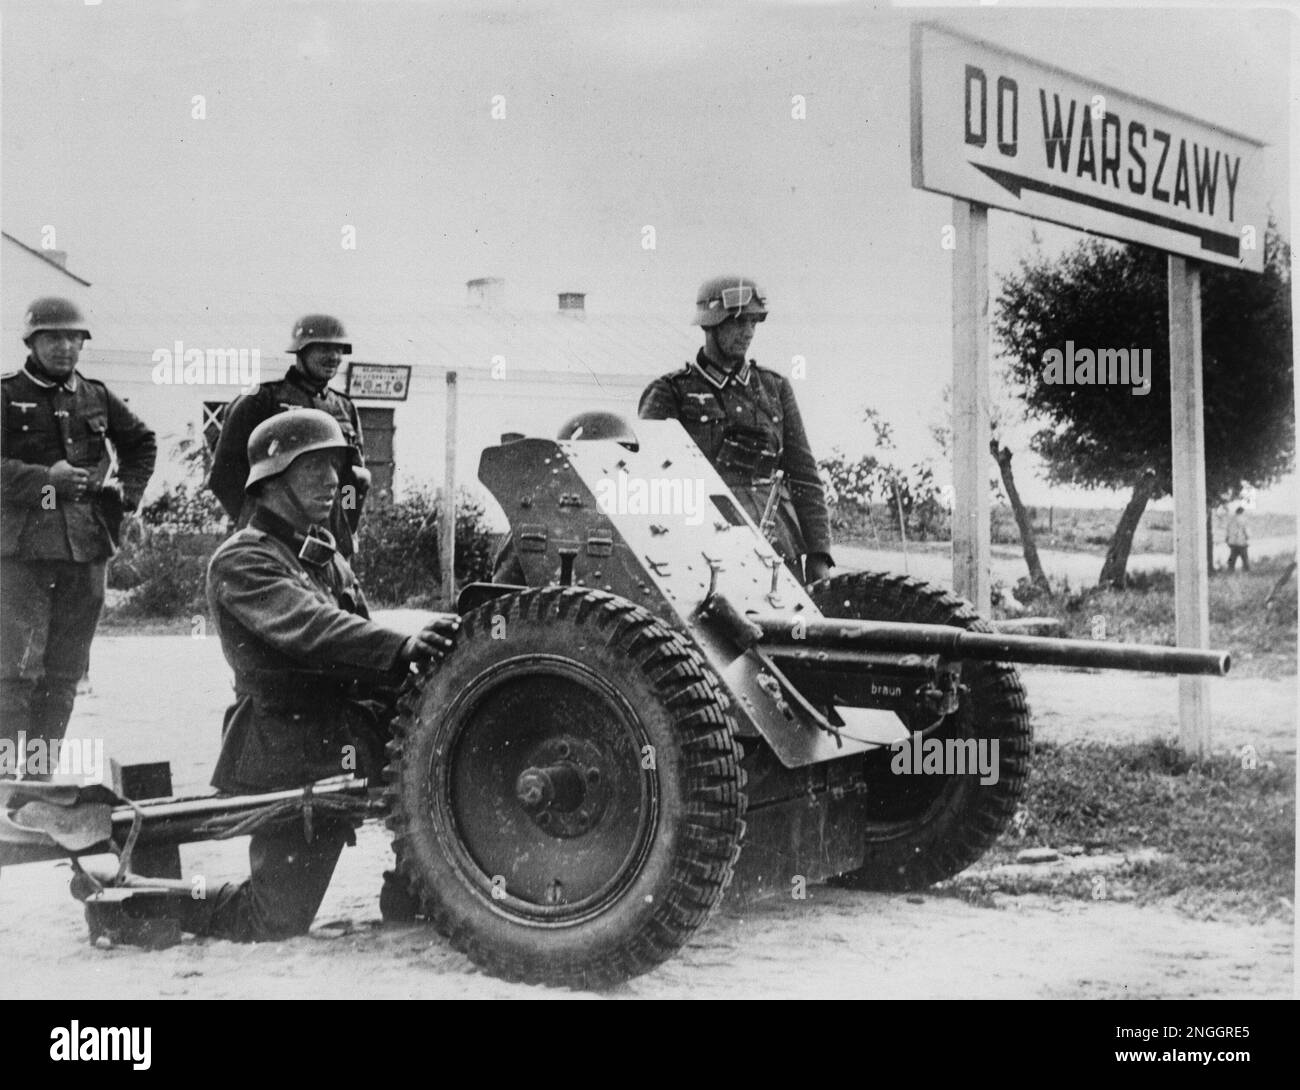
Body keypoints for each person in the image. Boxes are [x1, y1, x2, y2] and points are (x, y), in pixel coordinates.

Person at [96, 410, 458, 942]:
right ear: (271, 479)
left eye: (336, 469)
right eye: (314, 469)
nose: (333, 482)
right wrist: (402, 645)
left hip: (349, 734)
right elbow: (313, 629)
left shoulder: (321, 555)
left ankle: (414, 887)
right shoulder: (242, 559)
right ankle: (133, 909)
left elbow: (357, 639)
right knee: (274, 919)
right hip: (289, 749)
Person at [1, 298, 156, 778]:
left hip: (85, 549)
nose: (65, 347)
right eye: (53, 338)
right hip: (22, 552)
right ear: (31, 342)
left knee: (64, 673)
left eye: (74, 338)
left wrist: (126, 495)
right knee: (14, 672)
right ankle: (4, 779)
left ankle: (39, 778)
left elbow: (141, 442)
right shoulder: (6, 395)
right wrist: (47, 479)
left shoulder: (97, 395)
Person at [638, 275, 833, 584]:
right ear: (710, 324)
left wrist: (820, 553)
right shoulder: (671, 391)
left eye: (755, 322)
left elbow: (804, 475)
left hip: (776, 545)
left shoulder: (774, 388)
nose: (749, 332)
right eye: (739, 322)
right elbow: (650, 480)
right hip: (704, 548)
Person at [207, 314, 370, 558]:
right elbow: (224, 474)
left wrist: (347, 523)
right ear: (300, 350)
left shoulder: (345, 408)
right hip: (275, 540)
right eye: (324, 348)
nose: (334, 357)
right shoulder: (261, 399)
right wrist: (254, 518)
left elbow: (352, 478)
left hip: (331, 543)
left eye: (339, 350)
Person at [1227, 505, 1250, 572]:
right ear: (1242, 512)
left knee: (1232, 558)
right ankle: (1246, 572)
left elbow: (1228, 531)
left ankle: (1230, 570)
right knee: (1245, 558)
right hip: (1241, 542)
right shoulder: (1244, 520)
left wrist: (1228, 540)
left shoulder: (1231, 520)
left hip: (1232, 543)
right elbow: (1247, 532)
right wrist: (1247, 537)